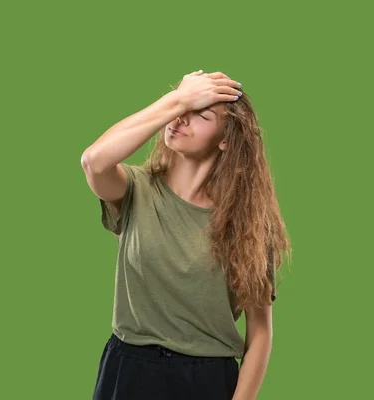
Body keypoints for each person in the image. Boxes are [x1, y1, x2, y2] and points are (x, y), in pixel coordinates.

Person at [81, 70, 291, 399]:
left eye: (201, 114)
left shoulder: (248, 222)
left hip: (205, 380)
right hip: (128, 369)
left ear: (226, 139)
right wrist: (178, 99)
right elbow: (94, 161)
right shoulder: (135, 189)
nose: (181, 119)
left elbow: (260, 332)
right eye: (182, 109)